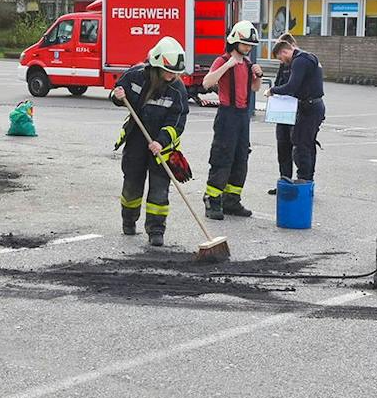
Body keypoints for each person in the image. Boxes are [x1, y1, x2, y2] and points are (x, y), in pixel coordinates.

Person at [111, 37, 189, 247]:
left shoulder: (177, 90)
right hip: (136, 137)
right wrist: (118, 95)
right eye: (169, 72)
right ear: (155, 66)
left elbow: (177, 122)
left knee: (159, 189)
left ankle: (156, 230)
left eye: (175, 73)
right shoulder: (135, 75)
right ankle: (129, 219)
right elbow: (118, 90)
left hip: (161, 146)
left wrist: (161, 141)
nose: (172, 76)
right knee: (132, 183)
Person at [201, 20, 261, 220]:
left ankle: (232, 201)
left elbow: (254, 89)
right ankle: (213, 200)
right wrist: (227, 65)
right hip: (227, 115)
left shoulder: (247, 64)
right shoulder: (222, 60)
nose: (248, 48)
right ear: (234, 41)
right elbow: (207, 82)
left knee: (240, 159)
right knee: (222, 157)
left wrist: (258, 76)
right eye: (245, 45)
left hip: (243, 117)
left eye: (250, 45)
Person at [268, 33, 324, 188]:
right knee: (284, 144)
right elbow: (283, 82)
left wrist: (273, 90)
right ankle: (286, 181)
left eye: (280, 57)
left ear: (286, 49)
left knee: (302, 145)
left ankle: (304, 183)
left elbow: (292, 86)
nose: (281, 61)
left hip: (307, 107)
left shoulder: (301, 60)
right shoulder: (292, 62)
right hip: (290, 107)